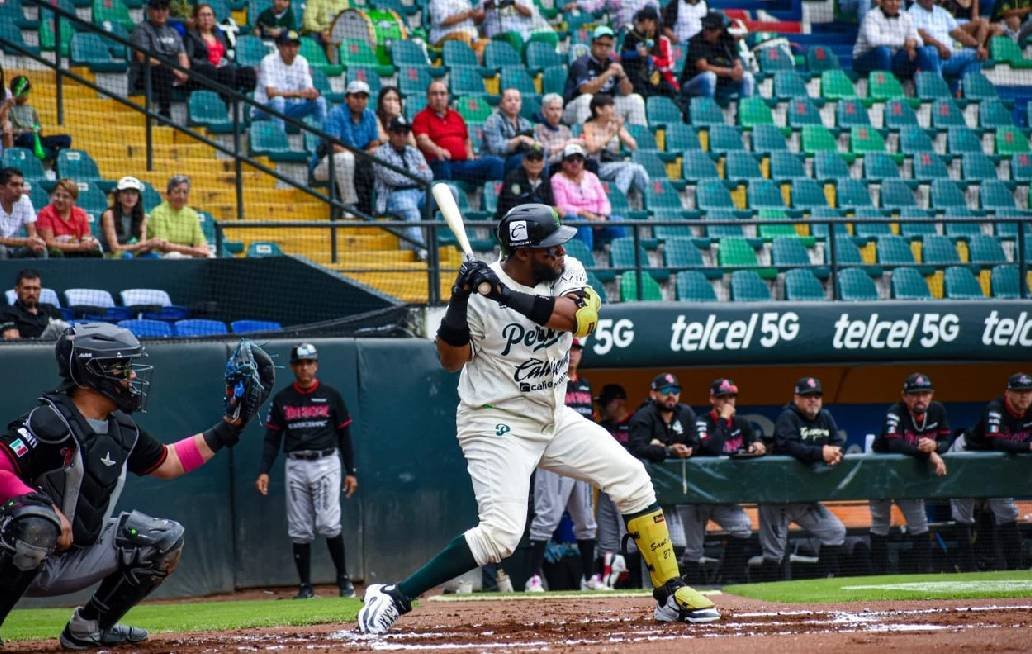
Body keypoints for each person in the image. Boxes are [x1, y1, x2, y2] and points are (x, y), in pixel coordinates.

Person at [356, 205, 718, 634]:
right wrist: (460, 298)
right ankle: (394, 597)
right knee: (501, 536)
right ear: (524, 253)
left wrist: (502, 294)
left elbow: (579, 317)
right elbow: (451, 361)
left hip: (551, 416)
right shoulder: (478, 297)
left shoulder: (567, 273)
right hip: (495, 422)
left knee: (632, 477)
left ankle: (670, 594)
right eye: (550, 247)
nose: (561, 252)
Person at [0, 324, 273, 648]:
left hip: (75, 554)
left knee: (163, 539)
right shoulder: (49, 420)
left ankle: (89, 628)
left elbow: (169, 461)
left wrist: (229, 429)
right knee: (37, 522)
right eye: (122, 367)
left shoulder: (122, 430)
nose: (130, 376)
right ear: (94, 372)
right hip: (20, 549)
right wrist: (43, 506)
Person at [256, 343, 358, 599]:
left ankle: (343, 580)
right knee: (300, 527)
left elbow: (345, 435)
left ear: (316, 365)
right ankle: (305, 586)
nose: (304, 367)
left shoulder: (331, 395)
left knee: (328, 522)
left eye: (309, 362)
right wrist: (264, 470)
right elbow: (271, 438)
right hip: (296, 463)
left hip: (326, 461)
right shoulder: (282, 399)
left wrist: (351, 470)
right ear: (293, 367)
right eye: (300, 363)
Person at [525, 338, 608, 593]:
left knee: (585, 520)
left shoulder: (584, 384)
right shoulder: (551, 379)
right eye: (569, 349)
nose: (573, 354)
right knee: (547, 516)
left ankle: (589, 577)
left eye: (577, 349)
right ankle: (533, 578)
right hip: (555, 455)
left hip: (581, 457)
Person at [757, 377, 847, 581]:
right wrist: (821, 453)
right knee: (774, 553)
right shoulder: (787, 417)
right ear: (797, 398)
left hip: (805, 497)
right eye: (807, 396)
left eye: (816, 396)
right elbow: (788, 446)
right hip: (778, 497)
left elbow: (838, 442)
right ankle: (762, 601)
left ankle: (822, 583)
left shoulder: (825, 416)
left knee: (835, 531)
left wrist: (836, 453)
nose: (813, 400)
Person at [681, 378, 763, 585]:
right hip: (697, 494)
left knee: (742, 527)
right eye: (722, 397)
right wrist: (722, 419)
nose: (728, 401)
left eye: (731, 397)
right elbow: (712, 448)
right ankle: (692, 589)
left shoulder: (742, 423)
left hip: (724, 495)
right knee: (693, 549)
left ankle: (727, 577)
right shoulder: (702, 421)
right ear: (712, 399)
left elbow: (755, 443)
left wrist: (757, 447)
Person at [869, 373, 951, 575]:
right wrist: (929, 453)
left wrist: (936, 446)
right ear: (904, 396)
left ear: (931, 395)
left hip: (908, 474)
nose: (920, 398)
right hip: (882, 472)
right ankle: (877, 575)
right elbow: (894, 444)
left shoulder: (937, 410)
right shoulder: (895, 411)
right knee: (880, 523)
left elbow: (946, 441)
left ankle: (924, 574)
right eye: (914, 394)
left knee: (919, 522)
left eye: (925, 393)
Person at [949, 372, 1032, 571]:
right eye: (1018, 392)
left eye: (1028, 392)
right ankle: (967, 567)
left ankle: (1016, 569)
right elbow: (997, 442)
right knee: (963, 510)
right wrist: (1028, 447)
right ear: (1008, 393)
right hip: (968, 454)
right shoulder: (995, 408)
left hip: (996, 462)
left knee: (1005, 510)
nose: (1023, 396)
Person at [628, 373, 696, 566]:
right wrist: (667, 450)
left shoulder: (686, 413)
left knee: (679, 543)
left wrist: (687, 449)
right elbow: (637, 448)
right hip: (641, 490)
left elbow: (696, 443)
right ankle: (637, 588)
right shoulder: (643, 416)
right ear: (653, 393)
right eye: (666, 391)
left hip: (671, 491)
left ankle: (674, 585)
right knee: (638, 544)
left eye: (675, 391)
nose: (671, 395)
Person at [413, 81, 505, 183]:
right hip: (439, 163)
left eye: (442, 94)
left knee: (495, 163)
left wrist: (470, 155)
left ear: (448, 97)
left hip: (463, 164)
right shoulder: (421, 117)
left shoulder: (457, 116)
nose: (439, 98)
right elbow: (422, 140)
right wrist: (437, 150)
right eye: (434, 94)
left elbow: (466, 140)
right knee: (441, 163)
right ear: (428, 97)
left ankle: (492, 197)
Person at [593, 383, 638, 588]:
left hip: (627, 488)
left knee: (625, 536)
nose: (603, 408)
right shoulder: (603, 427)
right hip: (605, 488)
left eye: (606, 403)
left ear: (619, 402)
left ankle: (631, 581)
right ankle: (607, 582)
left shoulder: (635, 423)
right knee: (606, 538)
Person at [313, 80, 381, 209]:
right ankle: (349, 205)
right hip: (325, 166)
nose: (359, 100)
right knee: (346, 158)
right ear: (347, 98)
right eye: (356, 96)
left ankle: (378, 206)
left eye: (363, 97)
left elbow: (374, 144)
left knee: (380, 155)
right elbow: (334, 146)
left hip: (357, 163)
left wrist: (371, 151)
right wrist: (361, 155)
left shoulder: (370, 115)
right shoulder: (336, 113)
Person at [372, 116, 434, 258]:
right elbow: (392, 179)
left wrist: (411, 177)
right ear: (390, 133)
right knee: (411, 211)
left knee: (449, 194)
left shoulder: (414, 152)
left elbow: (429, 175)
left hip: (419, 193)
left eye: (405, 133)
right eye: (397, 132)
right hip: (396, 195)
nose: (401, 136)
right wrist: (417, 176)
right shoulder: (381, 153)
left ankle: (447, 242)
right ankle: (421, 250)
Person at [563, 26, 648, 126]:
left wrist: (622, 75)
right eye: (600, 44)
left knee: (635, 100)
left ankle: (638, 138)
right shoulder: (581, 63)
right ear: (593, 44)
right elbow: (586, 90)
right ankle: (586, 138)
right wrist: (608, 73)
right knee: (586, 99)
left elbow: (627, 92)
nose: (603, 48)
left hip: (604, 106)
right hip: (574, 109)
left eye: (608, 46)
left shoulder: (613, 63)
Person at [550, 142, 628, 250]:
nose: (575, 162)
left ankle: (624, 259)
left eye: (579, 159)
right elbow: (562, 205)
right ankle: (588, 261)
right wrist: (584, 214)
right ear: (563, 163)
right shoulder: (557, 179)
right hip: (576, 219)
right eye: (571, 159)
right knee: (582, 223)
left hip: (597, 218)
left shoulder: (591, 176)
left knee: (618, 221)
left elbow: (603, 200)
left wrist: (602, 217)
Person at [252, 30, 327, 130]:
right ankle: (279, 141)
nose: (292, 50)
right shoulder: (268, 61)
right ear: (279, 46)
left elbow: (308, 89)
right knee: (277, 101)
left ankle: (323, 141)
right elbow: (271, 93)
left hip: (291, 107)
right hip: (264, 108)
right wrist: (299, 94)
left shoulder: (302, 61)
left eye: (295, 46)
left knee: (320, 101)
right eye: (288, 46)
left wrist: (312, 93)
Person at [909, 0, 986, 95]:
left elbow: (959, 34)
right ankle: (939, 91)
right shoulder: (911, 12)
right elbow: (921, 34)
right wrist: (939, 46)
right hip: (930, 58)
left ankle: (965, 92)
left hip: (949, 55)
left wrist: (977, 46)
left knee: (975, 55)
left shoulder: (941, 12)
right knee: (930, 51)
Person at [130, 0, 191, 120]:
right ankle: (165, 113)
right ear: (149, 11)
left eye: (164, 9)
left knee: (202, 71)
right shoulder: (142, 29)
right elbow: (143, 57)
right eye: (157, 9)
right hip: (146, 76)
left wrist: (184, 71)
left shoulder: (173, 32)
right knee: (164, 70)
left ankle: (202, 116)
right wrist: (173, 69)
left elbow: (182, 55)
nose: (161, 13)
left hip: (172, 72)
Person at [582, 94, 650, 197]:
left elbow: (633, 146)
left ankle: (650, 196)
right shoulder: (589, 126)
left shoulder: (615, 125)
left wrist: (619, 131)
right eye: (610, 107)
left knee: (637, 168)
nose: (613, 110)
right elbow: (591, 149)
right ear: (599, 110)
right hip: (598, 166)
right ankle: (618, 199)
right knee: (630, 167)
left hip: (616, 163)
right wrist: (610, 135)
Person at [183, 3, 257, 97]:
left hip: (222, 69)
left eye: (209, 15)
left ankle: (249, 104)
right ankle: (224, 104)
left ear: (214, 18)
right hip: (204, 70)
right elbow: (190, 59)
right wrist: (210, 64)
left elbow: (225, 56)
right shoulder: (191, 36)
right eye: (202, 15)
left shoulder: (219, 35)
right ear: (196, 19)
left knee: (248, 72)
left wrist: (226, 63)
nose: (206, 18)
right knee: (224, 71)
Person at [680, 11, 754, 102]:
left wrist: (738, 69)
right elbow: (703, 67)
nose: (707, 31)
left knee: (747, 77)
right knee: (709, 77)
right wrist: (730, 72)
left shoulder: (727, 39)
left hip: (720, 84)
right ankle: (709, 110)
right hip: (693, 84)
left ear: (720, 30)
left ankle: (745, 111)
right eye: (705, 28)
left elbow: (736, 60)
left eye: (711, 29)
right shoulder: (697, 40)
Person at [853, 0, 937, 77]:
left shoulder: (906, 16)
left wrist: (913, 43)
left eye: (897, 0)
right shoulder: (871, 16)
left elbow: (919, 40)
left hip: (893, 58)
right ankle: (885, 89)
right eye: (890, 0)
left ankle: (929, 88)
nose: (894, 3)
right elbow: (874, 41)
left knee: (921, 51)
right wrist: (904, 42)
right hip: (865, 60)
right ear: (882, 2)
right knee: (883, 51)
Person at [621, 6, 680, 100]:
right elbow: (622, 55)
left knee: (668, 89)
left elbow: (664, 63)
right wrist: (637, 53)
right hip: (633, 75)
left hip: (648, 77)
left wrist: (651, 60)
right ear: (646, 21)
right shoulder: (630, 36)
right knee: (644, 93)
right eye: (653, 22)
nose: (654, 25)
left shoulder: (649, 37)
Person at [7, 76, 72, 161]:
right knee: (28, 137)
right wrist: (25, 131)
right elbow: (8, 131)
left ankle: (55, 162)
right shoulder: (9, 109)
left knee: (66, 139)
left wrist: (36, 129)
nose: (26, 95)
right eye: (25, 92)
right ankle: (33, 161)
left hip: (36, 139)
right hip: (22, 139)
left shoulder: (31, 109)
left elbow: (40, 130)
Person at [146, 175, 211, 258]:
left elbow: (201, 242)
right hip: (161, 257)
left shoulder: (192, 215)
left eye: (185, 192)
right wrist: (192, 251)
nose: (181, 196)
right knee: (175, 255)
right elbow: (163, 246)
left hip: (188, 255)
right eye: (177, 192)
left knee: (210, 256)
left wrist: (203, 249)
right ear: (168, 195)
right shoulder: (158, 212)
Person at [36, 179, 103, 258]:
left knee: (94, 252)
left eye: (65, 197)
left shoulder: (81, 214)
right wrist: (78, 247)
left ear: (74, 200)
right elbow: (49, 243)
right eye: (57, 195)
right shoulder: (45, 213)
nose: (60, 199)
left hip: (77, 252)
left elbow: (85, 238)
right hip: (54, 253)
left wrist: (88, 243)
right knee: (55, 253)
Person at [100, 176, 163, 259]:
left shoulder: (143, 217)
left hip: (133, 253)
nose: (130, 197)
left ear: (138, 198)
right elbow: (114, 248)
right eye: (126, 193)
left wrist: (151, 244)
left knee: (155, 257)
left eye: (133, 193)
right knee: (127, 257)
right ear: (118, 197)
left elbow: (142, 247)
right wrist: (142, 244)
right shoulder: (109, 215)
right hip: (109, 255)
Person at [482, 88, 537, 175]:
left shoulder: (525, 123)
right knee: (523, 159)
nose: (513, 103)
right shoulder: (493, 120)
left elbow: (534, 144)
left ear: (521, 104)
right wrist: (519, 140)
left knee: (539, 159)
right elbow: (496, 148)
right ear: (501, 104)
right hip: (499, 162)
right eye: (509, 100)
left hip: (520, 158)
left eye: (517, 100)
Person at [495, 143, 554, 219]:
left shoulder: (545, 179)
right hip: (512, 223)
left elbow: (551, 204)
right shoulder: (513, 177)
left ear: (543, 163)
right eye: (530, 159)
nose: (535, 162)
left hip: (538, 220)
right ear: (524, 161)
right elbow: (511, 208)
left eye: (539, 159)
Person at [0, 269, 63, 340]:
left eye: (35, 289)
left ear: (40, 290)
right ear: (17, 290)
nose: (31, 293)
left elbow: (65, 336)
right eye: (27, 288)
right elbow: (14, 342)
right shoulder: (7, 313)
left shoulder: (51, 310)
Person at [0, 167, 47, 259]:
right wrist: (24, 242)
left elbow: (32, 233)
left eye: (21, 185)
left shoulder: (24, 200)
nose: (20, 189)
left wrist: (35, 242)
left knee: (40, 248)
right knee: (1, 250)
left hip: (16, 249)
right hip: (2, 249)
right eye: (14, 185)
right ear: (1, 189)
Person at [482, 0, 553, 52]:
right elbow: (481, 10)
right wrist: (490, 5)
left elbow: (530, 12)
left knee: (550, 36)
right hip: (497, 30)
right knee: (513, 37)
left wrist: (514, 3)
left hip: (522, 30)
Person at [534, 94, 583, 169]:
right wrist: (566, 144)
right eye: (552, 109)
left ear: (562, 111)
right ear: (543, 111)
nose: (556, 113)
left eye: (558, 109)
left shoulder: (565, 129)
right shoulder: (538, 129)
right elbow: (546, 151)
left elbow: (572, 148)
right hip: (552, 164)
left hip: (569, 161)